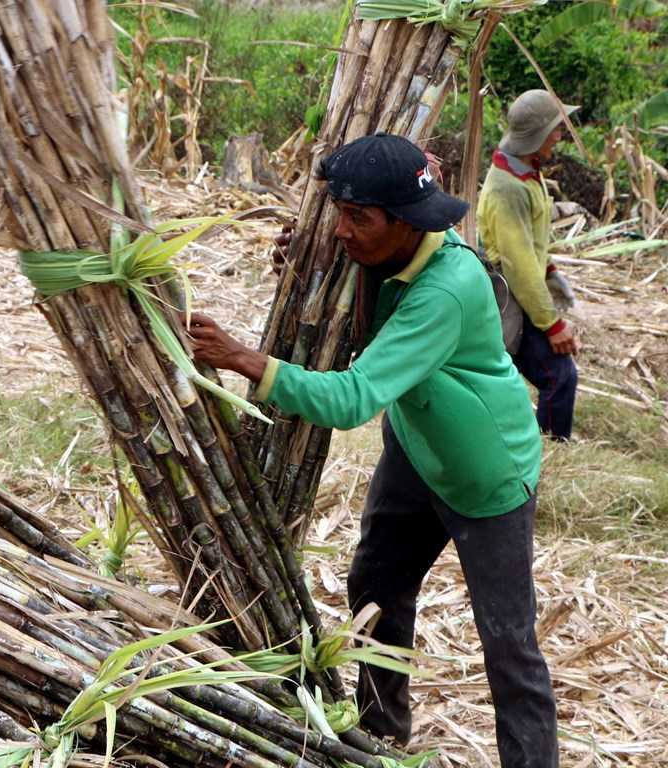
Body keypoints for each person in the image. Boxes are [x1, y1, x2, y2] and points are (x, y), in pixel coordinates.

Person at [189, 133, 559, 767]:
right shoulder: (390, 250)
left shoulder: (445, 288)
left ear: (406, 221)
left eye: (358, 217)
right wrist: (306, 264)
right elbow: (354, 290)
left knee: (509, 646)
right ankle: (382, 736)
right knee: (377, 588)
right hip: (418, 449)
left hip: (485, 473)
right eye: (338, 214)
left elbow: (353, 398)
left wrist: (243, 360)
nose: (342, 231)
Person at [478, 89, 580, 440]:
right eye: (555, 128)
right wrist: (551, 324)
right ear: (538, 134)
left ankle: (541, 447)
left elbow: (531, 243)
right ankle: (550, 450)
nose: (560, 135)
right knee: (559, 376)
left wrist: (550, 272)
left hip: (522, 296)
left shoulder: (526, 173)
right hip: (510, 301)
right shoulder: (509, 188)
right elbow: (518, 265)